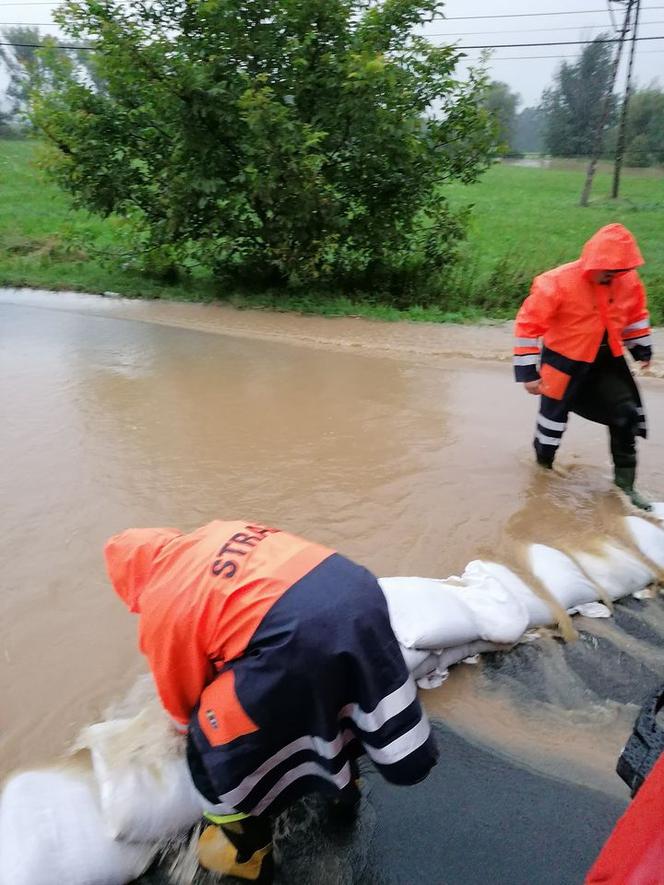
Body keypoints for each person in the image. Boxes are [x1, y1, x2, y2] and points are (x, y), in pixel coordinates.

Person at [105, 520, 438, 883]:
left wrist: (183, 737)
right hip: (356, 591)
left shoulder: (162, 599)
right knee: (337, 696)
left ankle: (243, 852)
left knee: (208, 733)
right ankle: (343, 786)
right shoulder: (216, 533)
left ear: (131, 584)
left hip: (298, 635)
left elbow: (181, 705)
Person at [513, 223, 653, 510]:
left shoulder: (628, 281)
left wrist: (641, 348)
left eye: (618, 272)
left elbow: (635, 315)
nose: (612, 276)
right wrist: (528, 373)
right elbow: (528, 325)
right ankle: (542, 470)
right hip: (563, 361)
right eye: (607, 271)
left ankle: (625, 486)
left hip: (607, 361)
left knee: (626, 415)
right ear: (592, 260)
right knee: (552, 424)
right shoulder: (556, 282)